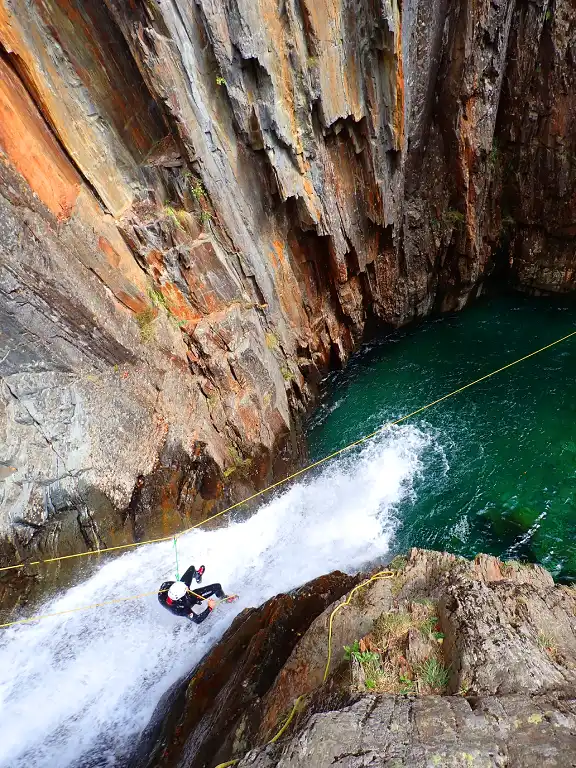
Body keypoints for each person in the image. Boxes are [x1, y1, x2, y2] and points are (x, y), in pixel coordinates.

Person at [158, 564, 236, 624]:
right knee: (217, 587)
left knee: (192, 568)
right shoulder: (182, 609)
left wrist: (182, 586)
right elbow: (198, 620)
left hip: (181, 590)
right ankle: (224, 599)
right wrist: (209, 607)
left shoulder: (164, 588)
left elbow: (177, 586)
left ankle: (197, 575)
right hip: (188, 600)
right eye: (187, 590)